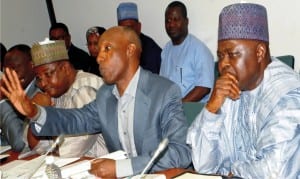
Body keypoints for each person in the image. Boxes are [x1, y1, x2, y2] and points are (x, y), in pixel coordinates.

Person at [1, 26, 191, 178]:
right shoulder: (106, 95)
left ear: (130, 50)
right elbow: (75, 120)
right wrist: (34, 112)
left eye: (107, 49)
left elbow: (180, 152)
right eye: (99, 50)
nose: (99, 57)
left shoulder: (165, 91)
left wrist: (121, 168)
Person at [187, 3, 300, 178]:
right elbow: (203, 166)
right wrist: (211, 109)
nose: (223, 64)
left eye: (232, 54)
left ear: (260, 52)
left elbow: (276, 172)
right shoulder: (229, 88)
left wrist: (236, 170)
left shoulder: (287, 95)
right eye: (220, 56)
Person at [25, 38, 108, 157]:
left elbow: (70, 150)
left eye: (48, 74)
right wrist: (35, 112)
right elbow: (35, 145)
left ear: (65, 68)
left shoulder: (85, 88)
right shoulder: (55, 92)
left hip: (102, 167)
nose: (43, 84)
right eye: (39, 78)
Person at [160, 1, 214, 102]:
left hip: (192, 110)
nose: (171, 24)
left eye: (176, 20)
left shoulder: (199, 50)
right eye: (168, 20)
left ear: (186, 21)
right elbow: (162, 84)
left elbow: (203, 88)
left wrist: (179, 107)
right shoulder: (166, 50)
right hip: (170, 110)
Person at [0, 44, 37, 151]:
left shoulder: (40, 93)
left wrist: (2, 101)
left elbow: (20, 143)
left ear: (32, 65)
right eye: (6, 71)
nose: (10, 76)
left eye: (14, 69)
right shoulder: (12, 91)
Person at [117, 2, 162, 74]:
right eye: (122, 29)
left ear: (139, 27)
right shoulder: (116, 47)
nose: (126, 33)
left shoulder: (151, 50)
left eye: (129, 28)